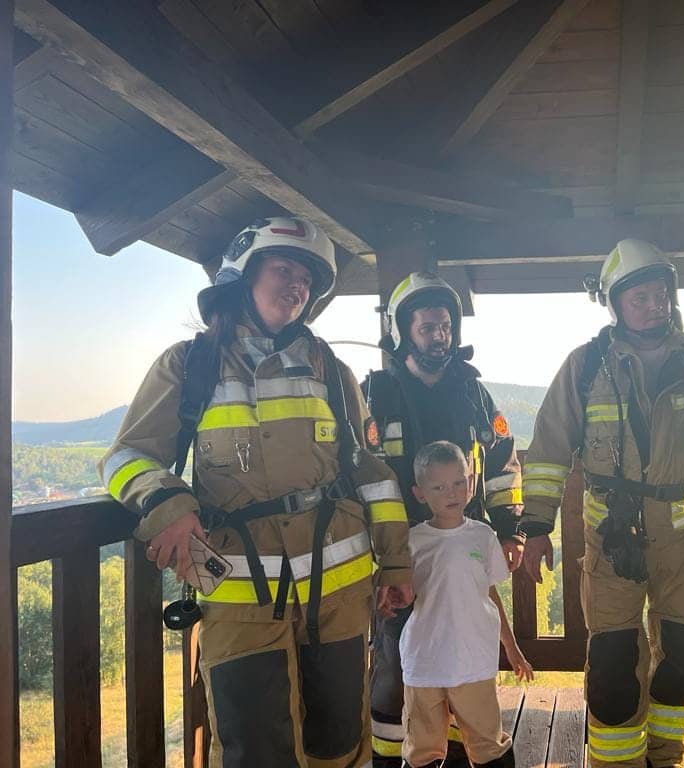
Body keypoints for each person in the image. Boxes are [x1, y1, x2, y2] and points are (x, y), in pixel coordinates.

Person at [100, 217, 413, 768]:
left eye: (307, 280)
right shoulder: (189, 364)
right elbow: (127, 456)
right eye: (283, 269)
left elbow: (371, 473)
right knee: (254, 748)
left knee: (339, 741)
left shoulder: (331, 370)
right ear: (242, 276)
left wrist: (395, 564)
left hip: (339, 591)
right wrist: (168, 505)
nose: (297, 286)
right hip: (239, 595)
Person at [520, 240, 684, 768]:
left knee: (683, 659)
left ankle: (669, 758)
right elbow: (548, 449)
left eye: (661, 295)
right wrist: (537, 526)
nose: (655, 305)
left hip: (683, 542)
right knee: (613, 666)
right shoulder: (587, 366)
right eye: (640, 298)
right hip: (611, 541)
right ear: (614, 304)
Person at [362, 272, 524, 766]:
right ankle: (394, 759)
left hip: (459, 552)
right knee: (397, 669)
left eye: (446, 327)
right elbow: (357, 473)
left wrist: (511, 530)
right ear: (403, 332)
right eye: (427, 327)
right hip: (399, 558)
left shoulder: (474, 395)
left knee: (463, 664)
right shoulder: (377, 395)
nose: (440, 336)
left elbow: (503, 464)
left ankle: (453, 758)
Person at [399, 441, 532, 768]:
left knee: (487, 741)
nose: (452, 493)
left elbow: (489, 594)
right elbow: (400, 594)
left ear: (471, 483)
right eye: (439, 487)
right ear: (420, 494)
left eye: (459, 483)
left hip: (472, 659)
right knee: (422, 747)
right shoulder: (413, 541)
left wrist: (512, 648)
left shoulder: (483, 536)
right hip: (424, 660)